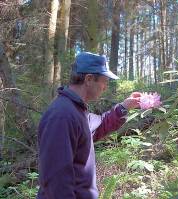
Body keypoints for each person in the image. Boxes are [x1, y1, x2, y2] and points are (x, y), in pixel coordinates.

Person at [37, 52, 141, 199]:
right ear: (89, 79)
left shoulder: (77, 110)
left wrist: (124, 107)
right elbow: (56, 181)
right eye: (104, 81)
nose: (105, 87)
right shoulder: (62, 116)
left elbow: (99, 125)